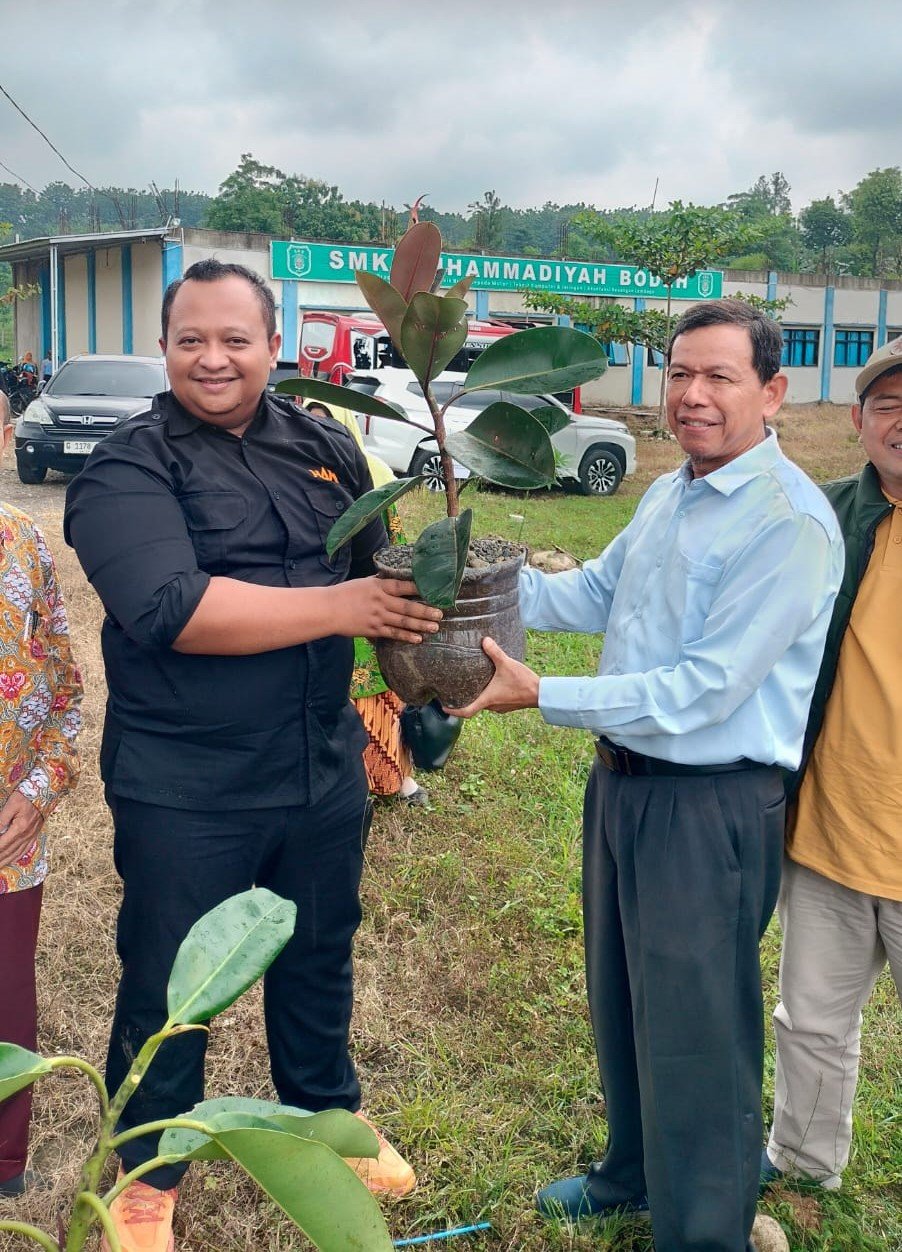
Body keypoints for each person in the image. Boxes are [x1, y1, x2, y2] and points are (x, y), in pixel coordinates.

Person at [448, 300, 845, 1252]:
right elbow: (594, 590)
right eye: (680, 374)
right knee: (625, 992)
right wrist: (475, 587)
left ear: (772, 392)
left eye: (720, 377)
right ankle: (630, 1171)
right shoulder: (674, 491)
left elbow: (707, 690)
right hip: (625, 786)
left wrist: (544, 694)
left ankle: (704, 1228)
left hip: (709, 802)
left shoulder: (788, 522)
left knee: (698, 1025)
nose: (694, 396)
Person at [64, 259, 442, 1252]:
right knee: (171, 983)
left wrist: (427, 685)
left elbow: (385, 580)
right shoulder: (128, 465)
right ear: (166, 347)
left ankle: (329, 1121)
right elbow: (170, 608)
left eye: (235, 338)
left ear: (276, 347)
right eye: (192, 338)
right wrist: (344, 607)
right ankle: (146, 1176)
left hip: (319, 769)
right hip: (187, 785)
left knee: (318, 958)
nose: (213, 357)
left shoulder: (324, 448)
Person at [761, 337, 902, 1192]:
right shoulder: (828, 517)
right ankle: (804, 1168)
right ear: (858, 422)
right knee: (810, 1021)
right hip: (836, 829)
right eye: (889, 404)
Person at [0, 389, 82, 1197]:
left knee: (3, 1001)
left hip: (7, 843)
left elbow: (67, 699)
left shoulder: (23, 545)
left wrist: (36, 789)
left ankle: (3, 1158)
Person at [306, 399, 427, 805]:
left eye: (326, 424)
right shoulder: (297, 474)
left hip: (372, 598)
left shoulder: (372, 473)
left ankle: (397, 780)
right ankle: (356, 781)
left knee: (382, 699)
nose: (316, 433)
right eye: (309, 423)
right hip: (324, 607)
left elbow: (393, 545)